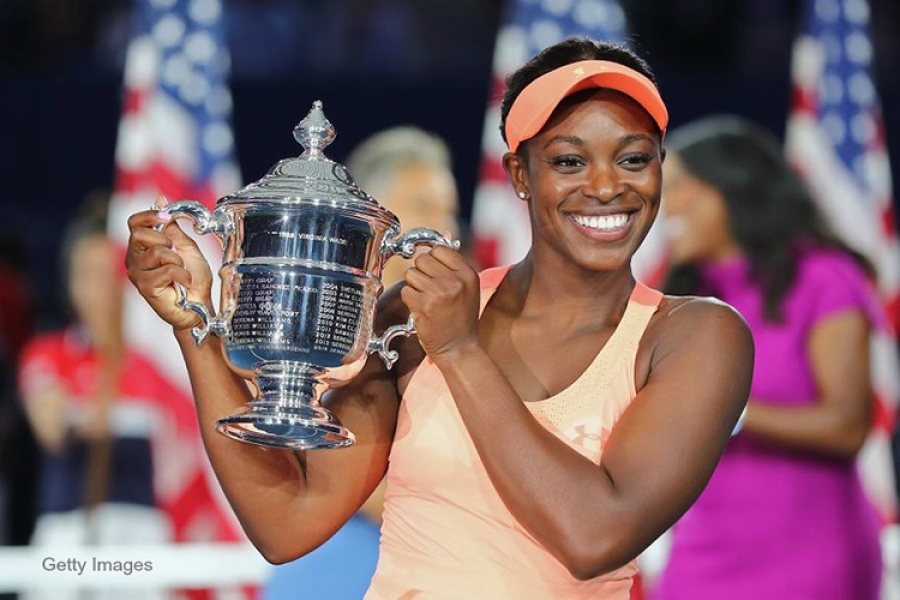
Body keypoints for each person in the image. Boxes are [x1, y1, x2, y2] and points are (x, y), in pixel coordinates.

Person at [126, 37, 753, 598]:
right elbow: (286, 523)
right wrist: (194, 326)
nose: (606, 185)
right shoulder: (413, 317)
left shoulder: (695, 336)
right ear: (519, 175)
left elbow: (594, 537)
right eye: (568, 161)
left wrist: (461, 352)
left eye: (634, 159)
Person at [651, 116, 883, 599]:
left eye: (677, 187)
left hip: (810, 554)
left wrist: (730, 412)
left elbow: (847, 426)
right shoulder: (684, 292)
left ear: (730, 188)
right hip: (701, 552)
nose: (662, 205)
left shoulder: (824, 278)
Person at [264, 126, 461, 599]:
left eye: (450, 210)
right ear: (376, 220)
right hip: (336, 568)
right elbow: (319, 471)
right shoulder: (312, 325)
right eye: (426, 207)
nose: (445, 230)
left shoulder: (461, 333)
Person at [18, 198, 199, 600]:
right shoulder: (50, 354)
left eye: (109, 275)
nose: (98, 289)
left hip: (148, 541)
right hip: (65, 546)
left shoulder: (162, 362)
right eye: (86, 275)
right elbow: (49, 425)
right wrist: (91, 404)